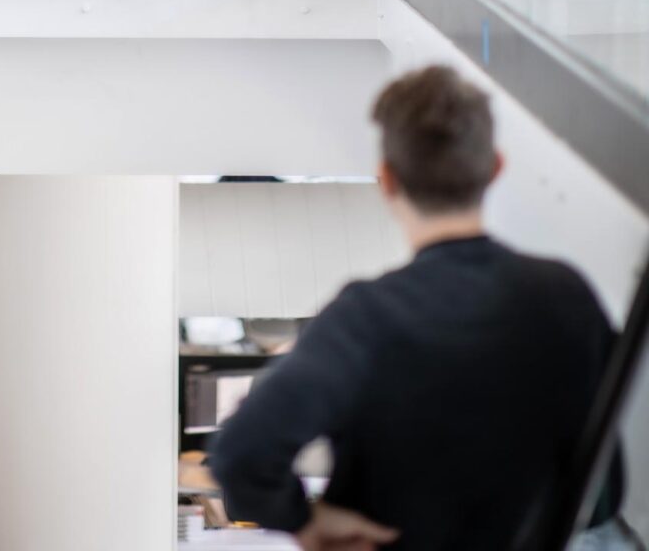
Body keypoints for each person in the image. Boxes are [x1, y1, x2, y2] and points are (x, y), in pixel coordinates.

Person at [211, 65, 627, 551]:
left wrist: (304, 519)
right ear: (495, 167)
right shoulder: (566, 297)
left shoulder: (365, 318)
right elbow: (607, 487)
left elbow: (241, 455)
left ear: (387, 180)